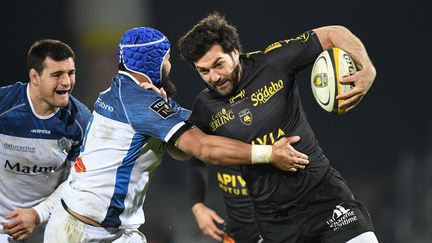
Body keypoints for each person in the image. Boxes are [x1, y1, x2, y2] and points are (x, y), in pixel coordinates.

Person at [43, 26, 309, 243]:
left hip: (111, 231)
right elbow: (201, 148)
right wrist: (268, 153)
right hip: (80, 233)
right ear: (155, 61)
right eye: (167, 59)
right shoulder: (141, 103)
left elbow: (179, 150)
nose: (169, 65)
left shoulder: (123, 90)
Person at [178, 12, 379, 243]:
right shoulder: (205, 106)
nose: (214, 77)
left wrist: (367, 68)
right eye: (204, 71)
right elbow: (193, 151)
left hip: (323, 198)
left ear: (234, 52)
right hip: (275, 222)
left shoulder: (273, 63)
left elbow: (333, 33)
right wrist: (197, 204)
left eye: (218, 65)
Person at [0, 39, 91, 242]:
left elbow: (78, 182)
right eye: (57, 74)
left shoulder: (80, 120)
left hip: (49, 228)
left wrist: (36, 214)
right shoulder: (4, 106)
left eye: (71, 73)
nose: (67, 82)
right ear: (35, 77)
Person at [188, 157, 262, 243]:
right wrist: (198, 206)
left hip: (272, 228)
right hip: (235, 231)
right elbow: (196, 158)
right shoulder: (213, 145)